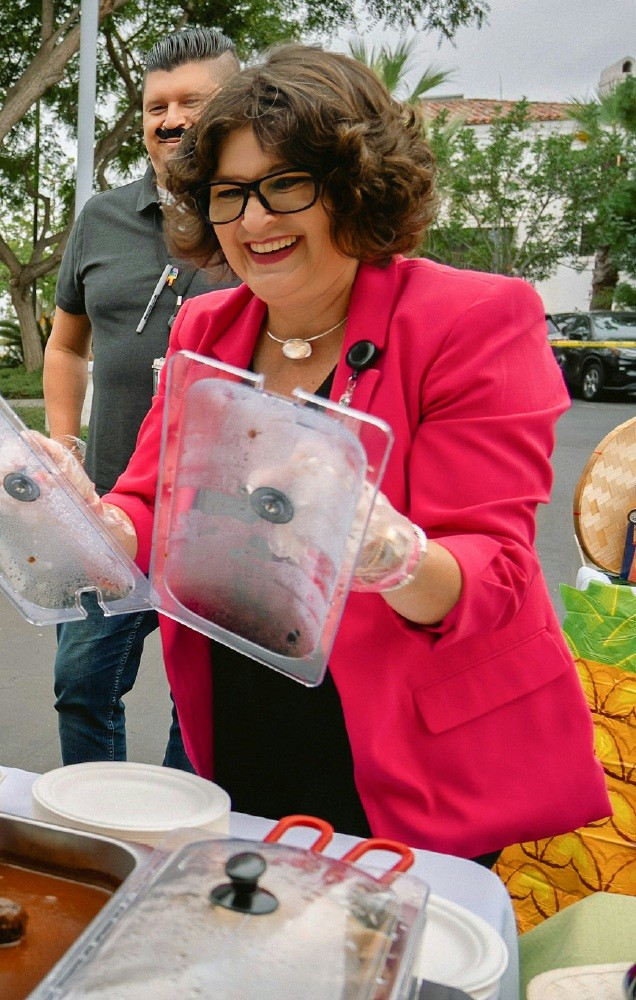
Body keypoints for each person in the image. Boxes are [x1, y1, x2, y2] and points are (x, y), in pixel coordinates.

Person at [59, 44, 608, 861]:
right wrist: (89, 519)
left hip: (405, 751)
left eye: (285, 184)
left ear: (355, 186)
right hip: (241, 718)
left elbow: (493, 573)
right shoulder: (208, 328)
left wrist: (384, 550)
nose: (252, 221)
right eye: (229, 193)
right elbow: (148, 501)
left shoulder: (474, 318)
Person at [43, 27, 238, 768]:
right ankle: (102, 824)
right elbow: (67, 344)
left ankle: (176, 830)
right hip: (109, 515)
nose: (173, 119)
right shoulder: (100, 218)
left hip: (221, 526)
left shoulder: (260, 221)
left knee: (204, 711)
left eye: (194, 101)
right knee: (81, 684)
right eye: (157, 104)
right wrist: (63, 445)